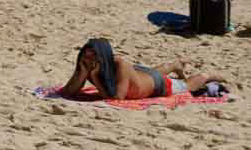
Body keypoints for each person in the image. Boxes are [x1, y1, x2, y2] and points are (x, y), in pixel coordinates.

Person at [58, 40, 231, 101]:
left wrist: (94, 77)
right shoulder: (88, 64)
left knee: (186, 84)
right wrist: (81, 72)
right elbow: (68, 92)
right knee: (149, 73)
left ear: (102, 56)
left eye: (91, 57)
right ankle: (174, 65)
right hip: (141, 77)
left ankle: (208, 75)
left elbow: (117, 98)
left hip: (158, 86)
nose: (88, 61)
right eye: (85, 57)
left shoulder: (119, 65)